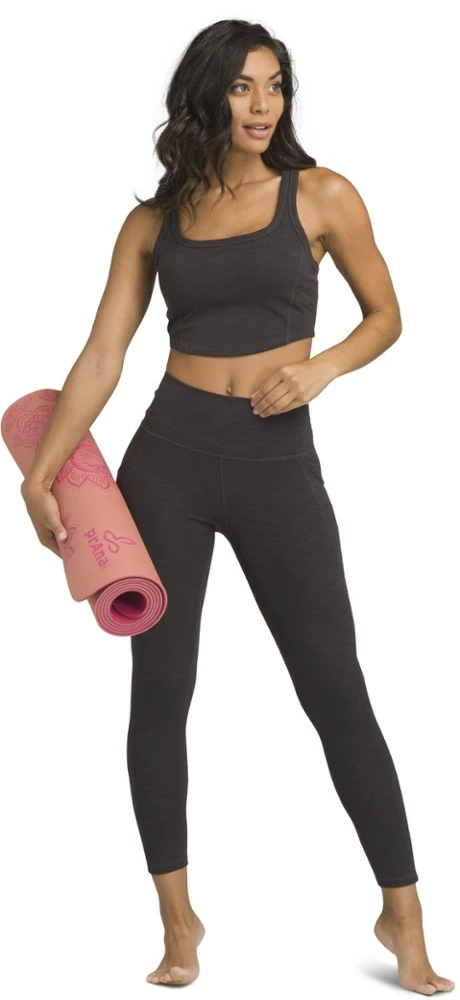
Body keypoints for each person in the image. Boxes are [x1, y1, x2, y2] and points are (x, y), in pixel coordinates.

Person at [21, 18, 454, 995]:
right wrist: (41, 473)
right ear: (207, 94)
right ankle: (179, 921)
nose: (263, 104)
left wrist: (322, 370)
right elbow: (103, 355)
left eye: (276, 86)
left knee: (334, 687)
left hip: (275, 464)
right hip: (167, 461)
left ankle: (403, 913)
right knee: (159, 694)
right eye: (243, 86)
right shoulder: (155, 220)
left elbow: (387, 315)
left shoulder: (321, 194)